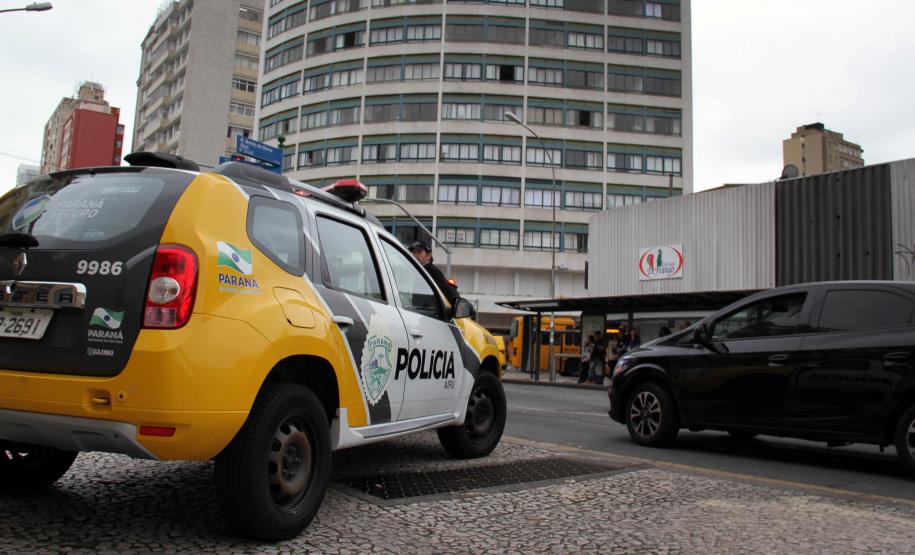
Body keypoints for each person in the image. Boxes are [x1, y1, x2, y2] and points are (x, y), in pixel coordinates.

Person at [408, 240, 459, 305]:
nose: (414, 255)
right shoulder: (421, 271)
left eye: (419, 252)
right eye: (413, 252)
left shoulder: (432, 271)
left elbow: (447, 295)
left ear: (428, 255)